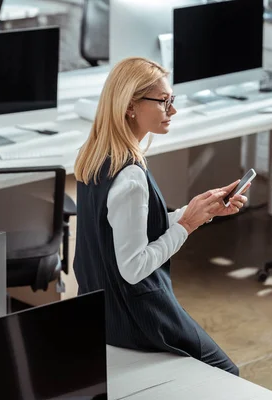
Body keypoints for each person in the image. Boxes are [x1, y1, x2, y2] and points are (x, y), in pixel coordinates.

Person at [73, 57, 248, 376]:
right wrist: (186, 225)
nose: (173, 110)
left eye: (173, 100)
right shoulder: (130, 176)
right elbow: (134, 268)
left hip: (97, 310)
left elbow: (129, 231)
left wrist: (198, 211)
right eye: (164, 101)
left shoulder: (94, 157)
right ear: (130, 105)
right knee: (227, 373)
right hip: (133, 315)